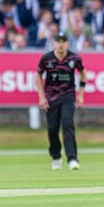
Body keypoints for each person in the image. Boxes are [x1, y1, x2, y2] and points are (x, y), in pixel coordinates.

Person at [35, 33, 87, 170]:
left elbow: (83, 73)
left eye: (64, 41)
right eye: (58, 41)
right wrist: (41, 96)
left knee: (68, 124)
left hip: (68, 96)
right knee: (52, 129)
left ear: (67, 43)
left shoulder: (74, 58)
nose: (61, 44)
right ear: (54, 43)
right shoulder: (46, 59)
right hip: (51, 98)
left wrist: (81, 94)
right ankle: (56, 156)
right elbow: (38, 75)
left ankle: (72, 158)